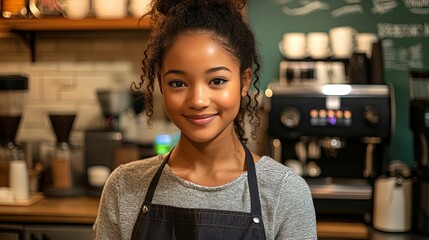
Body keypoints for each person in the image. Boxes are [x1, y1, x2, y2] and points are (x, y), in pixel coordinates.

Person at [93, 0, 317, 239]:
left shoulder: (285, 192)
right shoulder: (124, 186)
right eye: (178, 83)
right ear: (161, 85)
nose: (198, 100)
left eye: (217, 81)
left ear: (244, 82)